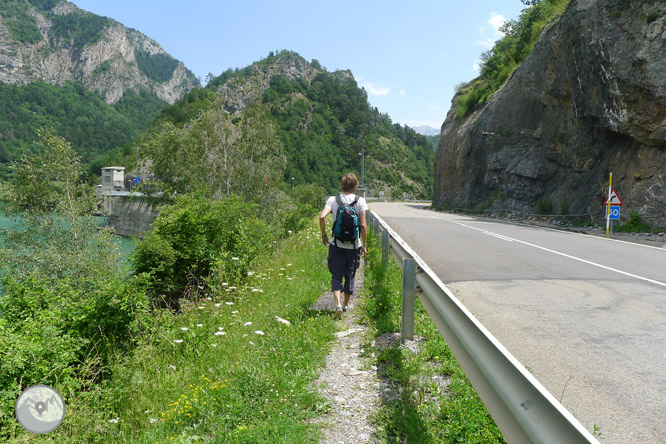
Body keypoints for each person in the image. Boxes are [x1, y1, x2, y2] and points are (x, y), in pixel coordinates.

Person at [319, 173, 368, 319]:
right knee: (350, 275)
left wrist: (324, 235)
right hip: (354, 246)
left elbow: (322, 217)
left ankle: (338, 305)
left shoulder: (333, 200)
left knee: (336, 275)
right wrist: (363, 245)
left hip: (337, 245)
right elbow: (363, 225)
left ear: (342, 185)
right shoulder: (360, 201)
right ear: (355, 186)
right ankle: (346, 305)